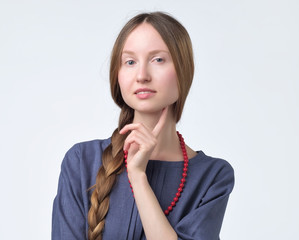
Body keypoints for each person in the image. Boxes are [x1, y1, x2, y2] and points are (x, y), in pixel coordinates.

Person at [52, 11, 234, 240]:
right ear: (117, 76)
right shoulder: (81, 161)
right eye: (130, 61)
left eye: (158, 59)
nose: (142, 75)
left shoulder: (212, 176)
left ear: (183, 70)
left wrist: (138, 178)